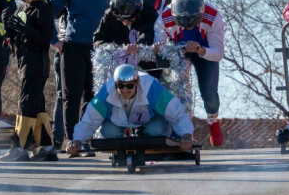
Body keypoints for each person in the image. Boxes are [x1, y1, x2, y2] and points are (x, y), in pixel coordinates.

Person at [52, 0, 118, 148]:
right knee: (71, 96)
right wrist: (55, 41)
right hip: (73, 47)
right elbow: (47, 13)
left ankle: (85, 139)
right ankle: (71, 139)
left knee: (92, 97)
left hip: (99, 50)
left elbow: (121, 20)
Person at [154, 0, 227, 147]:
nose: (189, 26)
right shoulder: (163, 18)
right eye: (184, 22)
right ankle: (175, 128)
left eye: (193, 22)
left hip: (204, 50)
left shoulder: (213, 16)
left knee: (209, 95)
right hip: (176, 53)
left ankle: (213, 121)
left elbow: (218, 53)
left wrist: (200, 50)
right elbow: (159, 48)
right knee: (173, 90)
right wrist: (166, 49)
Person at [65, 64, 194, 155]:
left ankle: (145, 137)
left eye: (129, 86)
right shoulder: (105, 94)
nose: (125, 90)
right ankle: (120, 150)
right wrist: (77, 141)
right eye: (120, 86)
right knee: (109, 132)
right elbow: (89, 121)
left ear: (137, 83)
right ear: (115, 84)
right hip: (118, 122)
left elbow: (177, 113)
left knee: (156, 129)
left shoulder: (152, 88)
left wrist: (186, 135)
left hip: (150, 121)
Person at [1, 0, 57, 161]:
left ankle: (20, 148)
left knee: (26, 104)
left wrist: (24, 28)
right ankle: (47, 148)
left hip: (36, 64)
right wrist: (8, 29)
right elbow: (15, 42)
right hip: (24, 64)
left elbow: (45, 38)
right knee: (38, 106)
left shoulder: (43, 8)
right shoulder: (21, 10)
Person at [92, 0, 157, 51]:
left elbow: (149, 34)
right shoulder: (110, 15)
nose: (126, 22)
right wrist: (108, 48)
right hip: (117, 56)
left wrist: (139, 46)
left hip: (144, 56)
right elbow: (98, 38)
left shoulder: (148, 13)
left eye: (130, 19)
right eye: (121, 19)